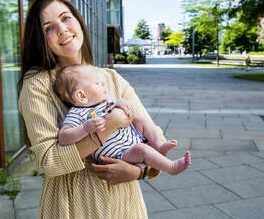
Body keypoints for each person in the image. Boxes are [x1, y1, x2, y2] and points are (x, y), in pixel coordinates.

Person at [18, 0, 167, 218]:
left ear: (79, 21)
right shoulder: (38, 83)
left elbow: (155, 137)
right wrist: (109, 126)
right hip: (73, 204)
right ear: (40, 39)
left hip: (126, 205)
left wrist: (137, 172)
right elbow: (49, 161)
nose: (61, 29)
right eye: (48, 27)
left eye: (65, 18)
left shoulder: (112, 78)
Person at [53, 64, 191, 175]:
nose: (103, 83)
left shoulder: (106, 102)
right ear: (81, 96)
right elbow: (64, 137)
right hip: (120, 154)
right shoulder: (78, 113)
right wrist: (84, 129)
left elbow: (124, 107)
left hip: (132, 137)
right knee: (142, 150)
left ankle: (158, 146)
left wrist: (121, 103)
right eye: (97, 83)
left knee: (141, 120)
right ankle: (171, 167)